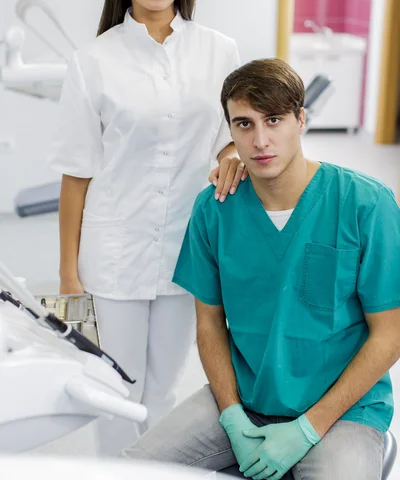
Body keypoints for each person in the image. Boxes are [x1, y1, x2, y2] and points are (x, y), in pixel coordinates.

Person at [123, 58, 400, 480]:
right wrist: (232, 417)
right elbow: (210, 325)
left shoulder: (364, 204)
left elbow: (391, 332)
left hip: (343, 410)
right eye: (245, 124)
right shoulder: (214, 209)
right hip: (244, 399)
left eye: (274, 120)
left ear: (301, 119)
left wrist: (308, 428)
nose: (260, 140)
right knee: (125, 471)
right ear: (230, 132)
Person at [49, 0, 246, 457]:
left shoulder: (219, 51)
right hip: (112, 254)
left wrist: (231, 149)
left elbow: (231, 131)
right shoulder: (92, 61)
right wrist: (69, 273)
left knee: (163, 390)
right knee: (114, 388)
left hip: (187, 249)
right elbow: (76, 174)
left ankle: (150, 470)